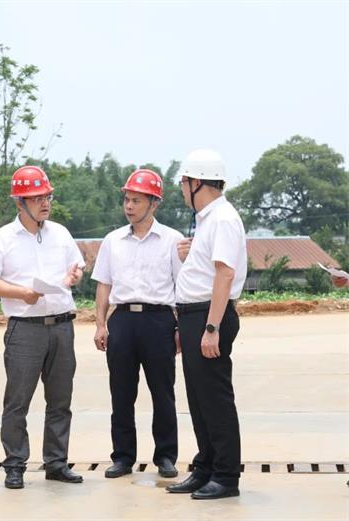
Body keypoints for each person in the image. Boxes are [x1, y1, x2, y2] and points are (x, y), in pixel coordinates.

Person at [0, 165, 86, 490]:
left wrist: (75, 275)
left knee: (60, 400)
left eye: (47, 197)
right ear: (19, 202)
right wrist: (21, 293)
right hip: (25, 329)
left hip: (62, 326)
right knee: (18, 401)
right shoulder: (2, 238)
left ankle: (56, 463)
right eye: (37, 198)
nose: (45, 203)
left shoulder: (61, 234)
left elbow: (77, 266)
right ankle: (14, 465)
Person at [166, 149, 247, 500]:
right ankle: (206, 468)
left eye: (183, 182)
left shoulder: (223, 218)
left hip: (208, 316)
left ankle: (226, 476)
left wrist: (211, 328)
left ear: (196, 182)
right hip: (194, 316)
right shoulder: (208, 219)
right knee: (199, 401)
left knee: (215, 399)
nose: (182, 189)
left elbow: (224, 274)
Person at [92, 169, 182, 481]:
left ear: (154, 203)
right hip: (123, 321)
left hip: (159, 320)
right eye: (127, 200)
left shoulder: (172, 240)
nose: (129, 206)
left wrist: (179, 328)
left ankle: (166, 456)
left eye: (136, 201)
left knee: (163, 392)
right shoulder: (113, 240)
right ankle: (122, 457)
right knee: (121, 393)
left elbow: (181, 286)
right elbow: (104, 284)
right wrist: (100, 324)